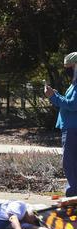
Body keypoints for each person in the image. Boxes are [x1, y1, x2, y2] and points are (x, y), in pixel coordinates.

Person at [45, 52, 77, 196]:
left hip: (72, 128)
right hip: (69, 127)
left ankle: (74, 192)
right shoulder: (74, 84)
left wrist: (53, 97)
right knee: (71, 161)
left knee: (69, 162)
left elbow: (73, 105)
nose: (66, 71)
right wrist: (56, 95)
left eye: (68, 67)